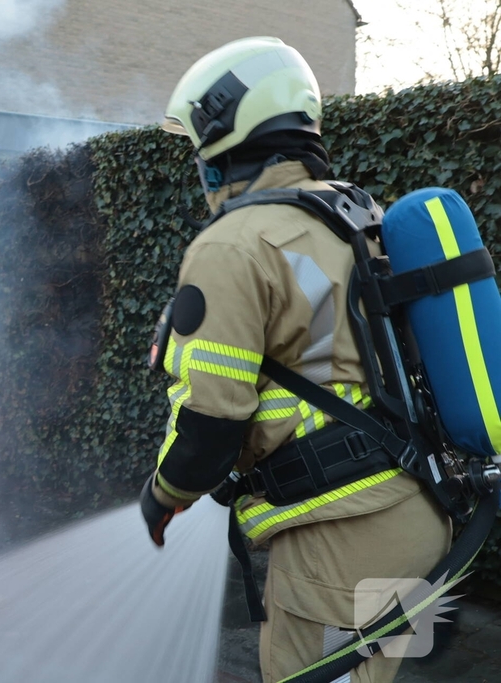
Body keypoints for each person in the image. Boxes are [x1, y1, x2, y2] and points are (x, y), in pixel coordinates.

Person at [138, 37, 451, 682]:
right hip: (412, 514)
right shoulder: (351, 215)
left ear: (224, 137)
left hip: (338, 545)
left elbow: (212, 421)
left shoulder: (232, 245)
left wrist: (163, 495)